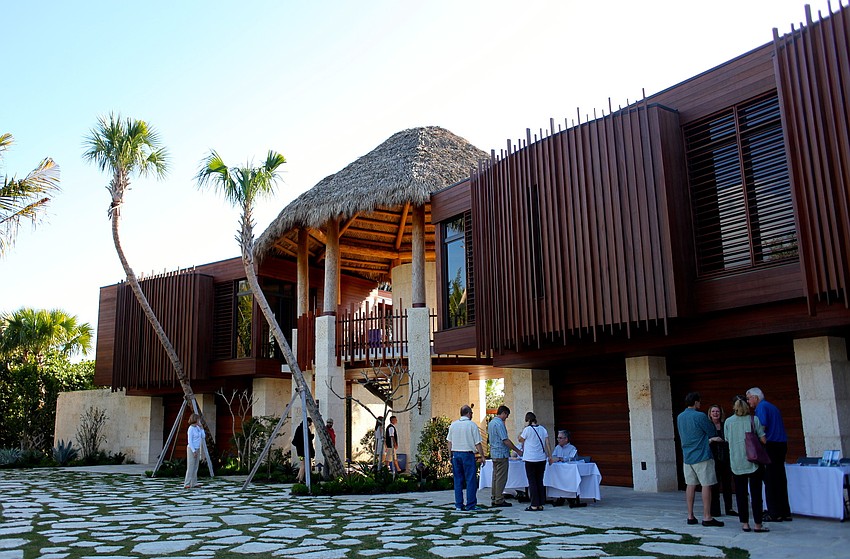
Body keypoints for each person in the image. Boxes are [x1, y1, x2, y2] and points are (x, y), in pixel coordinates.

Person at [676, 392, 724, 527]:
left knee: (690, 485)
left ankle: (690, 515)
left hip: (687, 456)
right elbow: (711, 431)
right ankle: (707, 516)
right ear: (696, 402)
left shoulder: (680, 416)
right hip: (702, 455)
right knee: (706, 485)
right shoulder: (700, 416)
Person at [725, 395, 769, 533]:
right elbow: (763, 439)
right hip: (753, 461)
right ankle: (758, 524)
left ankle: (744, 523)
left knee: (740, 494)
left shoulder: (728, 422)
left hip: (736, 462)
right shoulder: (753, 419)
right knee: (756, 494)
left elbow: (727, 439)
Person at [746, 387, 791, 522]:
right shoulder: (773, 407)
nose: (748, 402)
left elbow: (762, 427)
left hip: (771, 445)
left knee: (770, 479)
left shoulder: (761, 408)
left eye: (749, 398)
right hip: (781, 444)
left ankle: (773, 512)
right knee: (780, 478)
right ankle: (784, 511)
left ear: (755, 397)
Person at [446, 404, 484, 511]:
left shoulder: (453, 425)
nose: (472, 415)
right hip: (467, 454)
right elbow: (478, 443)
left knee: (458, 480)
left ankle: (459, 504)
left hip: (456, 454)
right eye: (471, 413)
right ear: (468, 413)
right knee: (470, 479)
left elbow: (449, 442)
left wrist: (450, 455)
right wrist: (482, 456)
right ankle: (471, 505)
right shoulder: (472, 425)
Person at [487, 405, 523, 507]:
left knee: (495, 477)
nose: (506, 418)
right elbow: (505, 440)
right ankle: (499, 499)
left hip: (494, 453)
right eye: (506, 415)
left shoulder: (491, 423)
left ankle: (494, 497)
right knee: (501, 478)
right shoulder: (499, 424)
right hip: (501, 454)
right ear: (503, 413)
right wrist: (517, 450)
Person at [518, 411, 551, 511]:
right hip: (541, 458)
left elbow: (520, 440)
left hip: (530, 459)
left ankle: (534, 504)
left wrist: (521, 431)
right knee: (539, 481)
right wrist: (550, 456)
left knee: (532, 481)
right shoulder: (543, 429)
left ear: (527, 420)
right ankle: (540, 503)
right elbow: (547, 443)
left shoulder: (527, 430)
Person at [707, 404, 736, 518]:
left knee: (727, 484)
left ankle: (729, 508)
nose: (715, 413)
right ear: (710, 413)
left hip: (726, 458)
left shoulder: (725, 425)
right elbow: (704, 440)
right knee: (715, 485)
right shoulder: (708, 426)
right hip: (713, 458)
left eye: (717, 411)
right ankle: (715, 510)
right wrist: (713, 439)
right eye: (713, 411)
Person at [549, 429, 584, 507]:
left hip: (569, 472)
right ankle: (559, 497)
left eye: (560, 438)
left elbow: (571, 458)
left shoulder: (572, 448)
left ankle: (570, 497)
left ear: (566, 439)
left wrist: (561, 458)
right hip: (559, 471)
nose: (558, 440)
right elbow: (554, 457)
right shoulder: (557, 447)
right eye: (558, 438)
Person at [183, 413, 204, 490]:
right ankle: (187, 483)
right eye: (198, 419)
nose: (199, 421)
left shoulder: (198, 428)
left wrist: (201, 428)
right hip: (191, 449)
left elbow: (203, 436)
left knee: (195, 467)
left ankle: (194, 483)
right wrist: (193, 451)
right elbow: (190, 441)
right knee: (190, 467)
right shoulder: (190, 429)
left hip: (198, 448)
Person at [292, 417, 314, 483]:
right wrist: (312, 436)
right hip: (303, 451)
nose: (310, 424)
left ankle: (298, 477)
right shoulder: (304, 429)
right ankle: (300, 479)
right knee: (304, 465)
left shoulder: (299, 428)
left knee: (302, 464)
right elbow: (307, 440)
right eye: (310, 423)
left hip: (299, 451)